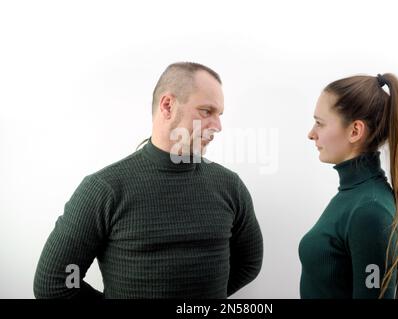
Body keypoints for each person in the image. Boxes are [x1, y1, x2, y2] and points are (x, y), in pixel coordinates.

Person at [34, 62, 263, 298]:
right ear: (167, 106)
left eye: (219, 115)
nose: (218, 126)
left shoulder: (229, 185)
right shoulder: (105, 189)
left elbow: (249, 262)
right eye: (206, 111)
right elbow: (55, 281)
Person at [299, 73, 398, 298]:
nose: (311, 134)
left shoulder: (370, 211)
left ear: (355, 131)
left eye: (320, 123)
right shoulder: (354, 196)